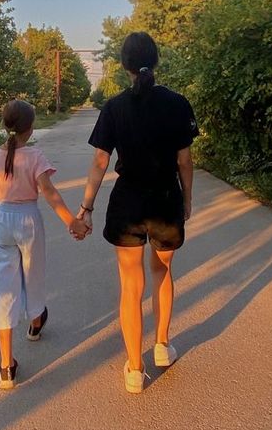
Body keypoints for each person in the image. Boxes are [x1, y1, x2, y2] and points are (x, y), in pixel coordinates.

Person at [78, 32, 198, 393]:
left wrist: (86, 207)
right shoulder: (178, 104)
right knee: (162, 271)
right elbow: (185, 160)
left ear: (124, 65)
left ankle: (134, 368)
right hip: (165, 201)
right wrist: (187, 200)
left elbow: (101, 161)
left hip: (127, 202)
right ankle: (162, 346)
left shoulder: (114, 107)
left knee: (131, 286)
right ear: (156, 61)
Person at [0, 99, 89, 390]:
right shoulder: (35, 156)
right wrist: (73, 222)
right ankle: (36, 321)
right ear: (30, 128)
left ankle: (6, 366)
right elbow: (51, 193)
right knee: (33, 275)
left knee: (3, 287)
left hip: (2, 218)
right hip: (28, 218)